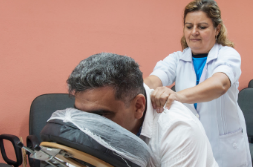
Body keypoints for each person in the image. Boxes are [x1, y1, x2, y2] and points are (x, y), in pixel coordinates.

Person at [144, 0, 252, 167]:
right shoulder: (177, 59)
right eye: (189, 26)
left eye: (202, 27)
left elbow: (220, 84)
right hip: (191, 145)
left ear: (217, 29)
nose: (194, 32)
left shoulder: (227, 55)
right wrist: (138, 89)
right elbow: (153, 80)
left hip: (225, 149)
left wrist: (176, 95)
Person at [67, 52, 218, 167]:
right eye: (80, 114)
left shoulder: (179, 131)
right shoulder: (87, 116)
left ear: (138, 106)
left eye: (100, 116)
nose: (86, 127)